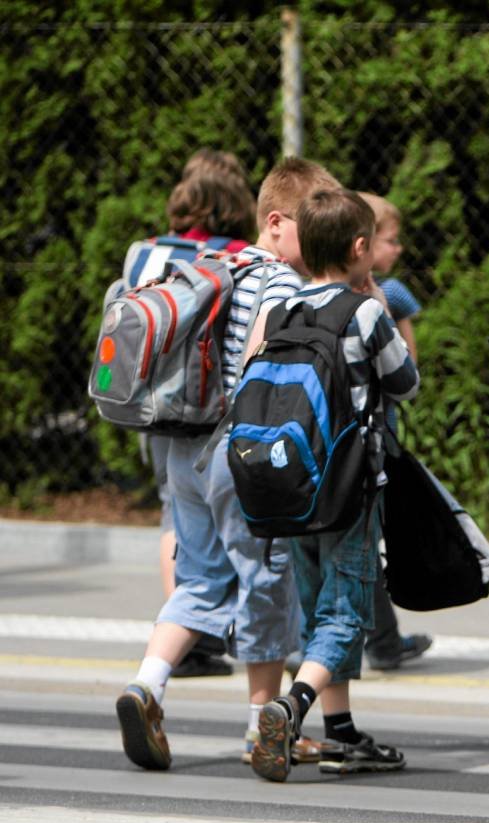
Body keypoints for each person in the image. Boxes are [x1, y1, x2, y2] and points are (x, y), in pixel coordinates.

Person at [115, 157, 341, 772]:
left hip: (180, 446)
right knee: (264, 579)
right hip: (234, 451)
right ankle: (261, 728)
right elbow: (259, 354)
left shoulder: (219, 265)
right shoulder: (279, 280)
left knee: (201, 581)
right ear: (275, 222)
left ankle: (147, 685)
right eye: (310, 222)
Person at [249, 188, 419, 782]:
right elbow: (404, 383)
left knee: (317, 608)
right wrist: (372, 301)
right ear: (357, 248)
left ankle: (341, 731)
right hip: (350, 488)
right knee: (346, 612)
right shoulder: (365, 311)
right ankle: (291, 707)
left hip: (292, 486)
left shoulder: (282, 312)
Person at [128, 151, 258, 679]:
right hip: (210, 408)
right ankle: (230, 631)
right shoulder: (240, 256)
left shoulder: (146, 252)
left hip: (150, 402)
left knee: (171, 510)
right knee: (224, 520)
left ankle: (184, 630)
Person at [356, 190, 433, 672]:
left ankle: (381, 637)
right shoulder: (389, 295)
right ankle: (383, 639)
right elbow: (408, 371)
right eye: (391, 240)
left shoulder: (305, 291)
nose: (398, 249)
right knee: (365, 540)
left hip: (364, 432)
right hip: (378, 433)